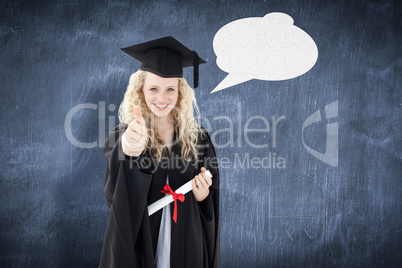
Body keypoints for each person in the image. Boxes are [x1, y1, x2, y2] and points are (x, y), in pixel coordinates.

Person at [99, 36, 220, 268]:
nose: (162, 98)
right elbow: (115, 196)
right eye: (153, 88)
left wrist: (202, 194)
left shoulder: (198, 138)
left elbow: (209, 202)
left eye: (170, 89)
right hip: (143, 239)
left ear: (180, 93)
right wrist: (130, 148)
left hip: (187, 238)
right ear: (141, 91)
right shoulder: (126, 133)